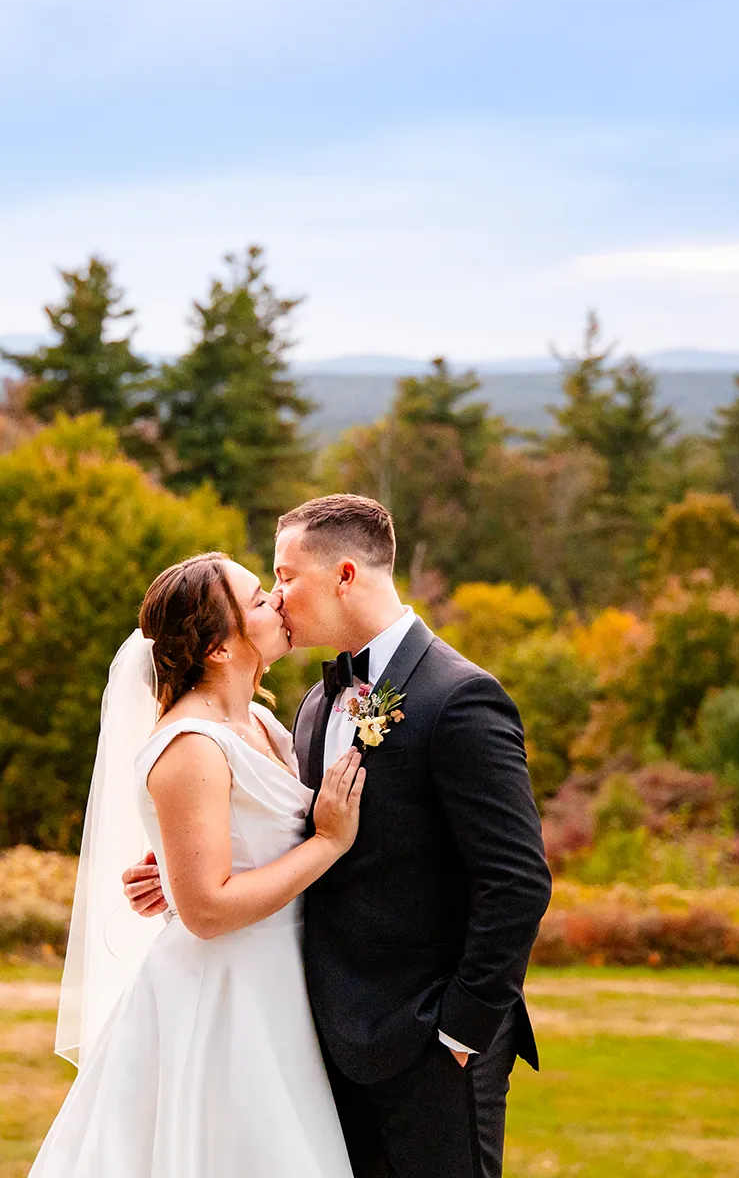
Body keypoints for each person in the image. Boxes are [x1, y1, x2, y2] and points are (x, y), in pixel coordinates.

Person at [119, 495, 552, 1178]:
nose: (280, 597)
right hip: (321, 1037)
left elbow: (517, 881)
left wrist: (460, 1028)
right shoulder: (316, 705)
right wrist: (181, 876)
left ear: (345, 575)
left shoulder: (460, 697)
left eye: (285, 577)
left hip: (430, 1044)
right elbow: (290, 839)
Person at [29, 551, 366, 1178]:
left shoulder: (262, 722)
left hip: (280, 982)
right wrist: (327, 844)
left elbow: (240, 850)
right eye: (260, 599)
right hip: (225, 995)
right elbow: (208, 911)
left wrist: (178, 874)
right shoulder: (190, 747)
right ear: (217, 649)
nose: (279, 604)